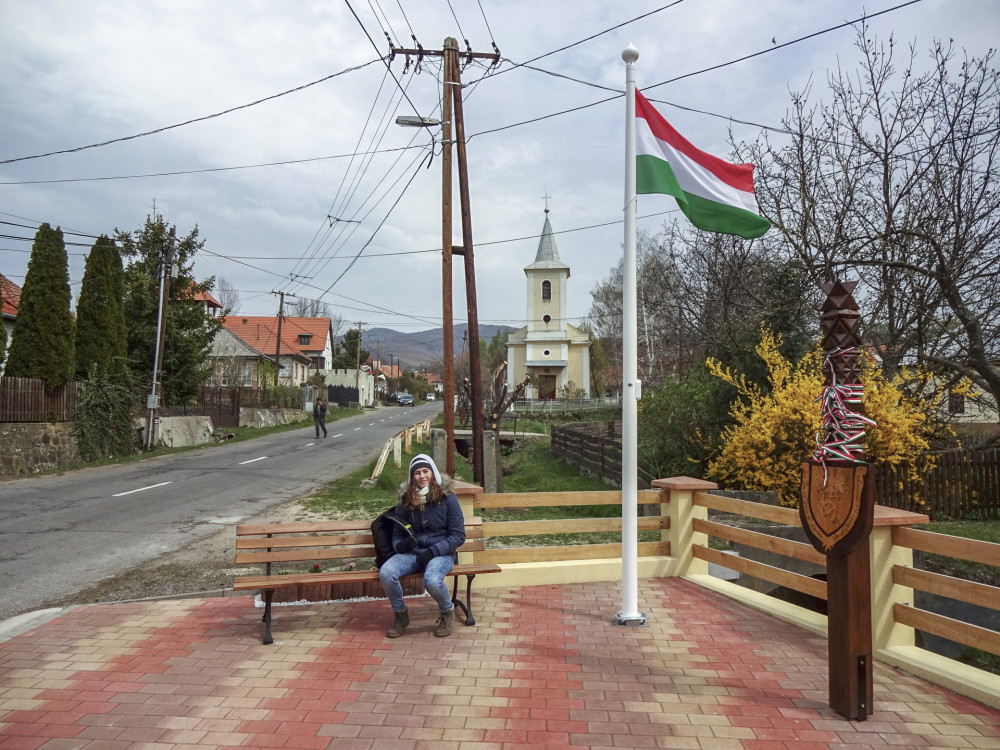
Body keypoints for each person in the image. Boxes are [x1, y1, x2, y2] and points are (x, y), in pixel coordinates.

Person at [379, 454, 466, 638]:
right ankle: (401, 615)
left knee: (432, 580)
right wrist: (402, 545)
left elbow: (458, 536)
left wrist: (434, 550)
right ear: (412, 477)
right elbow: (397, 534)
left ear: (433, 473)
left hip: (441, 552)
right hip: (413, 552)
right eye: (417, 473)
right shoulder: (406, 500)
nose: (422, 476)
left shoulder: (448, 499)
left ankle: (447, 612)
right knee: (387, 572)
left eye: (425, 471)